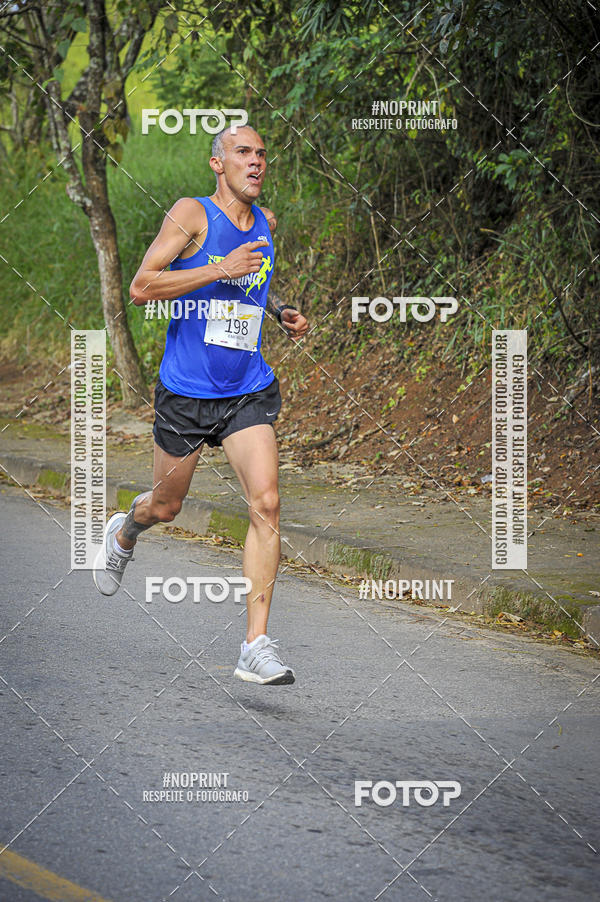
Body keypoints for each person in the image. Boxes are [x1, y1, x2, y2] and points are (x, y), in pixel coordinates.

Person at [93, 124, 308, 685]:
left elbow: (250, 284)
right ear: (218, 164)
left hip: (245, 389)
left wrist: (278, 311)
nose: (256, 162)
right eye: (243, 153)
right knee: (166, 507)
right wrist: (218, 267)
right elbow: (142, 287)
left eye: (262, 154)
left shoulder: (265, 224)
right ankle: (126, 531)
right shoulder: (191, 214)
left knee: (267, 503)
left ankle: (255, 645)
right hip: (186, 394)